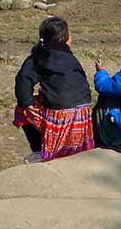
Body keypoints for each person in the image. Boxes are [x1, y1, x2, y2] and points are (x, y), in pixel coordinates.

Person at [14, 16, 95, 163]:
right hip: (83, 111)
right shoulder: (70, 57)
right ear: (64, 38)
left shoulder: (40, 56)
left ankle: (39, 149)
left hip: (61, 113)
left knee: (21, 110)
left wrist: (28, 103)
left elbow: (22, 83)